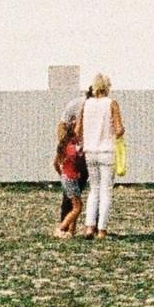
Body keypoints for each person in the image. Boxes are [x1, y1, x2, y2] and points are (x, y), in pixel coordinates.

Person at [77, 73, 118, 237]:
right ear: (107, 87)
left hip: (90, 151)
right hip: (107, 150)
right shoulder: (111, 103)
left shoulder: (86, 104)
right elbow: (119, 128)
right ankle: (102, 229)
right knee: (106, 190)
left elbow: (77, 130)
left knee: (93, 189)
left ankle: (89, 226)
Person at [52, 101, 88, 239]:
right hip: (72, 179)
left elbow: (56, 163)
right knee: (77, 207)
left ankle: (71, 230)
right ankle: (62, 227)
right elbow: (78, 130)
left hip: (68, 177)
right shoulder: (73, 146)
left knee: (75, 205)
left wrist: (62, 174)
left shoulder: (64, 144)